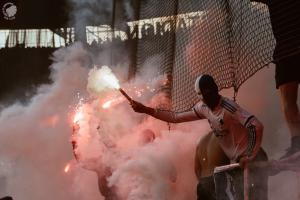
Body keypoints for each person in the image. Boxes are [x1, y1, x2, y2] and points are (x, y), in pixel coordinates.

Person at [130, 74, 268, 199]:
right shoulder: (203, 108)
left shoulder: (229, 108)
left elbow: (256, 126)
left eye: (209, 94)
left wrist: (248, 155)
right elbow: (175, 117)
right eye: (204, 96)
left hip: (253, 158)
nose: (208, 99)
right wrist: (145, 109)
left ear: (215, 89)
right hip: (239, 162)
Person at [250, 0, 300, 157]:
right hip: (286, 53)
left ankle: (297, 142)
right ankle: (297, 143)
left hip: (286, 53)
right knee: (288, 103)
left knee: (288, 103)